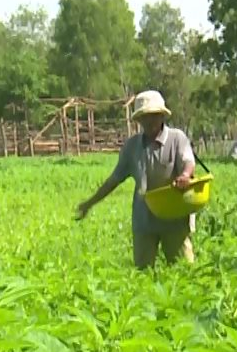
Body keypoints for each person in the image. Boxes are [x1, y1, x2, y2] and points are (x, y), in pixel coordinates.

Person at [75, 90, 197, 268]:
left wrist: (185, 176)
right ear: (138, 120)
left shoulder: (176, 138)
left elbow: (188, 161)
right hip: (145, 219)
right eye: (145, 117)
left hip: (175, 218)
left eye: (154, 116)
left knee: (184, 271)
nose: (150, 121)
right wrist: (89, 203)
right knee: (143, 274)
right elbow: (113, 180)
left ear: (162, 115)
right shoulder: (132, 147)